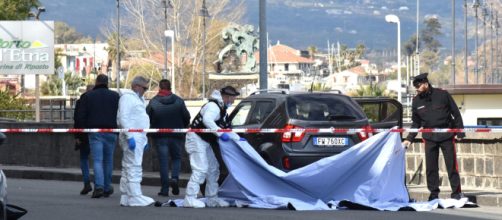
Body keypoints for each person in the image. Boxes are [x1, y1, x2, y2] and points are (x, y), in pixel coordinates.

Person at [402, 73, 465, 201]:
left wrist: (460, 132)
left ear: (425, 84)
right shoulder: (416, 101)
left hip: (446, 135)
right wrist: (409, 139)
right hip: (429, 137)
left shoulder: (442, 95)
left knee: (451, 166)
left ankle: (456, 192)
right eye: (415, 87)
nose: (417, 89)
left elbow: (456, 113)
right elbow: (416, 123)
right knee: (431, 168)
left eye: (418, 86)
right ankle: (434, 193)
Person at [183, 86, 240, 208]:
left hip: (204, 140)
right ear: (227, 97)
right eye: (233, 98)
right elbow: (208, 120)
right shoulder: (213, 107)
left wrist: (238, 138)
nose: (233, 101)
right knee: (200, 169)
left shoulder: (222, 109)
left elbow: (226, 127)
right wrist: (220, 133)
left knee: (213, 169)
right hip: (196, 138)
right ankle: (190, 198)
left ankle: (212, 198)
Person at [76, 74, 120, 198]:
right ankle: (107, 187)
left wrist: (81, 133)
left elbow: (81, 117)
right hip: (111, 131)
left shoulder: (88, 96)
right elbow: (120, 114)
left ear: (96, 82)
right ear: (107, 83)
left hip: (95, 132)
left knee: (97, 160)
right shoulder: (115, 96)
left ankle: (99, 186)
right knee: (108, 160)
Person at [146, 79, 190, 197]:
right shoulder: (179, 101)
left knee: (163, 162)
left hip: (160, 136)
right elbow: (187, 117)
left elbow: (146, 118)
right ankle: (175, 178)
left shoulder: (154, 102)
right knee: (176, 158)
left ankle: (164, 189)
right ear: (170, 87)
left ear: (159, 88)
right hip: (177, 135)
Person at [117, 76, 155, 206]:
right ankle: (134, 195)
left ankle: (127, 195)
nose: (145, 90)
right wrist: (130, 136)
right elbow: (124, 118)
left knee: (128, 165)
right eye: (144, 88)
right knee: (134, 166)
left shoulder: (137, 99)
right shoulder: (127, 98)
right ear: (137, 86)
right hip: (133, 136)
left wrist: (143, 140)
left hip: (137, 136)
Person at [74, 84, 94, 195]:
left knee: (84, 159)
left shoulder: (80, 101)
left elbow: (77, 120)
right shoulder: (97, 102)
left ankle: (87, 183)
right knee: (98, 160)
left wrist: (77, 136)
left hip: (83, 135)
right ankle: (101, 184)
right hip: (96, 133)